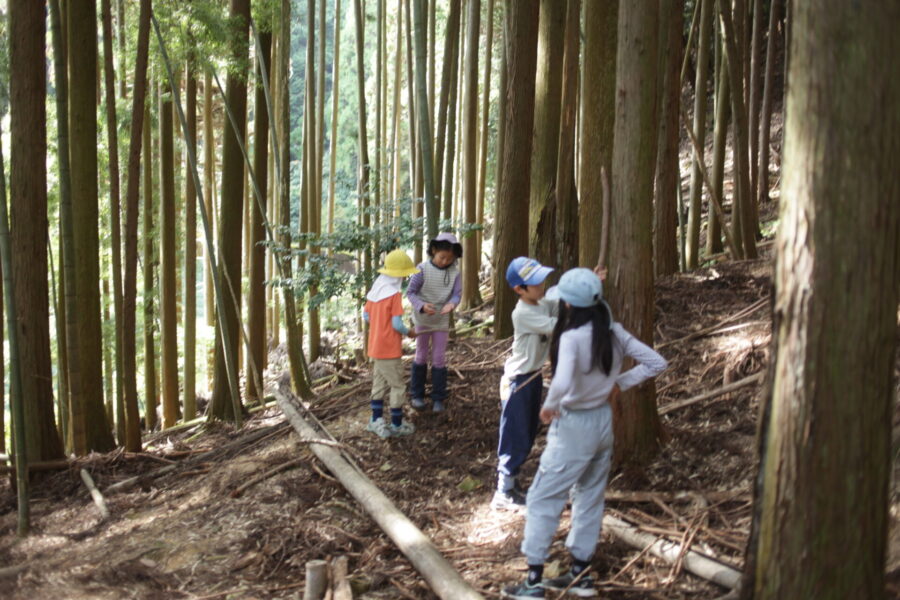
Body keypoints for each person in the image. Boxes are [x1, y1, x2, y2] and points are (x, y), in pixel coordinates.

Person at [502, 268, 668, 599]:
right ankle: (581, 576)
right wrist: (617, 384)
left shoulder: (572, 337)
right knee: (589, 496)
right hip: (603, 423)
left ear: (569, 305)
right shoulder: (613, 330)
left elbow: (562, 381)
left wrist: (549, 405)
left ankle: (533, 583)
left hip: (574, 426)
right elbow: (656, 362)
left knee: (541, 498)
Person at [492, 257, 558, 511]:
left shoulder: (541, 302)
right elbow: (559, 324)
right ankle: (503, 492)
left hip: (532, 378)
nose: (541, 285)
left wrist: (589, 283)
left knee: (529, 431)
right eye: (535, 283)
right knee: (515, 434)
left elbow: (560, 302)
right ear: (519, 289)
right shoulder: (522, 313)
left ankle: (513, 484)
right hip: (517, 381)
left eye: (541, 279)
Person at [363, 249, 419, 439]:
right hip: (389, 348)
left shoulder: (375, 291)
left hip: (375, 347)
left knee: (378, 384)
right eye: (404, 275)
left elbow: (366, 316)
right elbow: (396, 324)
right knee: (397, 386)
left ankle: (376, 420)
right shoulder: (393, 295)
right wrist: (410, 332)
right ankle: (396, 424)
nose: (404, 278)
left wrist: (379, 325)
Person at [406, 232, 463, 412]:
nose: (445, 261)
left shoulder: (455, 272)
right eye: (442, 257)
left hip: (441, 321)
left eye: (449, 258)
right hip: (423, 319)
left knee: (439, 357)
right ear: (433, 250)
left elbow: (457, 294)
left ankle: (438, 397)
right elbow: (411, 292)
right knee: (421, 355)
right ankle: (417, 394)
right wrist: (422, 306)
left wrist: (452, 304)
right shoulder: (422, 269)